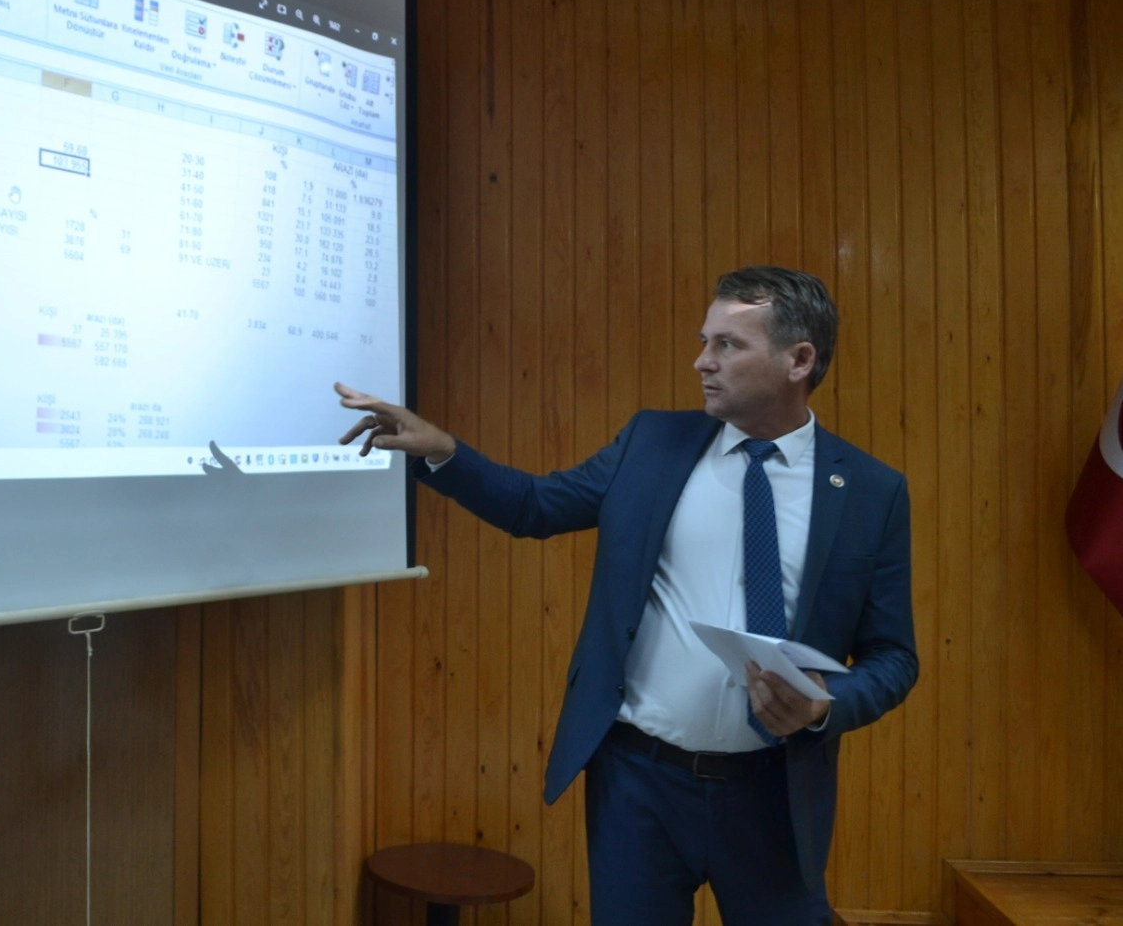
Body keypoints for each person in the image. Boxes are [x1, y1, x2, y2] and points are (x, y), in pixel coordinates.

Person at [337, 266, 916, 926]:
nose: (702, 361)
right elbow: (534, 506)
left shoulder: (870, 492)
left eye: (728, 345)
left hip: (776, 794)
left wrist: (823, 704)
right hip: (639, 784)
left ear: (799, 360)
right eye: (704, 341)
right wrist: (442, 451)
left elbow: (894, 657)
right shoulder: (651, 445)